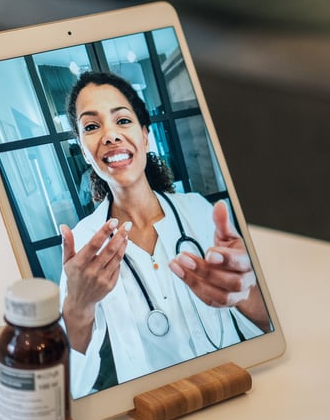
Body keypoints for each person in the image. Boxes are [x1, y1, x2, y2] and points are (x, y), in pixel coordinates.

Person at [59, 71, 269, 399]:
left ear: (145, 135)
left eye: (123, 120)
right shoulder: (84, 244)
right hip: (151, 409)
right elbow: (71, 385)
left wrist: (245, 291)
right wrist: (78, 305)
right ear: (84, 151)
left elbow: (265, 329)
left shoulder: (199, 212)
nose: (110, 135)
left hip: (229, 389)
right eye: (91, 126)